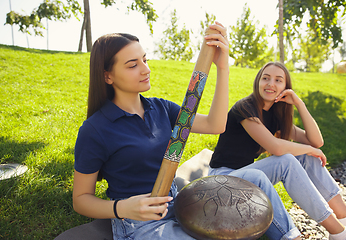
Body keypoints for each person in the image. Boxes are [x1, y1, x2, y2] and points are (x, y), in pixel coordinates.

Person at [72, 22, 229, 239]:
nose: (146, 69)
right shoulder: (95, 130)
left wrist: (222, 67)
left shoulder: (161, 108)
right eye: (132, 65)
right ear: (108, 76)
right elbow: (81, 199)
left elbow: (216, 125)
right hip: (140, 223)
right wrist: (123, 208)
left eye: (144, 60)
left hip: (178, 203)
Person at [209, 61, 346, 240]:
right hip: (223, 179)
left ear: (285, 87)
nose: (271, 84)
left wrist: (299, 103)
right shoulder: (245, 109)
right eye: (265, 78)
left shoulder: (275, 116)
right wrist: (310, 149)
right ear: (258, 81)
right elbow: (276, 147)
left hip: (246, 177)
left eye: (278, 80)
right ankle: (338, 232)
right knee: (287, 160)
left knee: (306, 155)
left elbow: (316, 141)